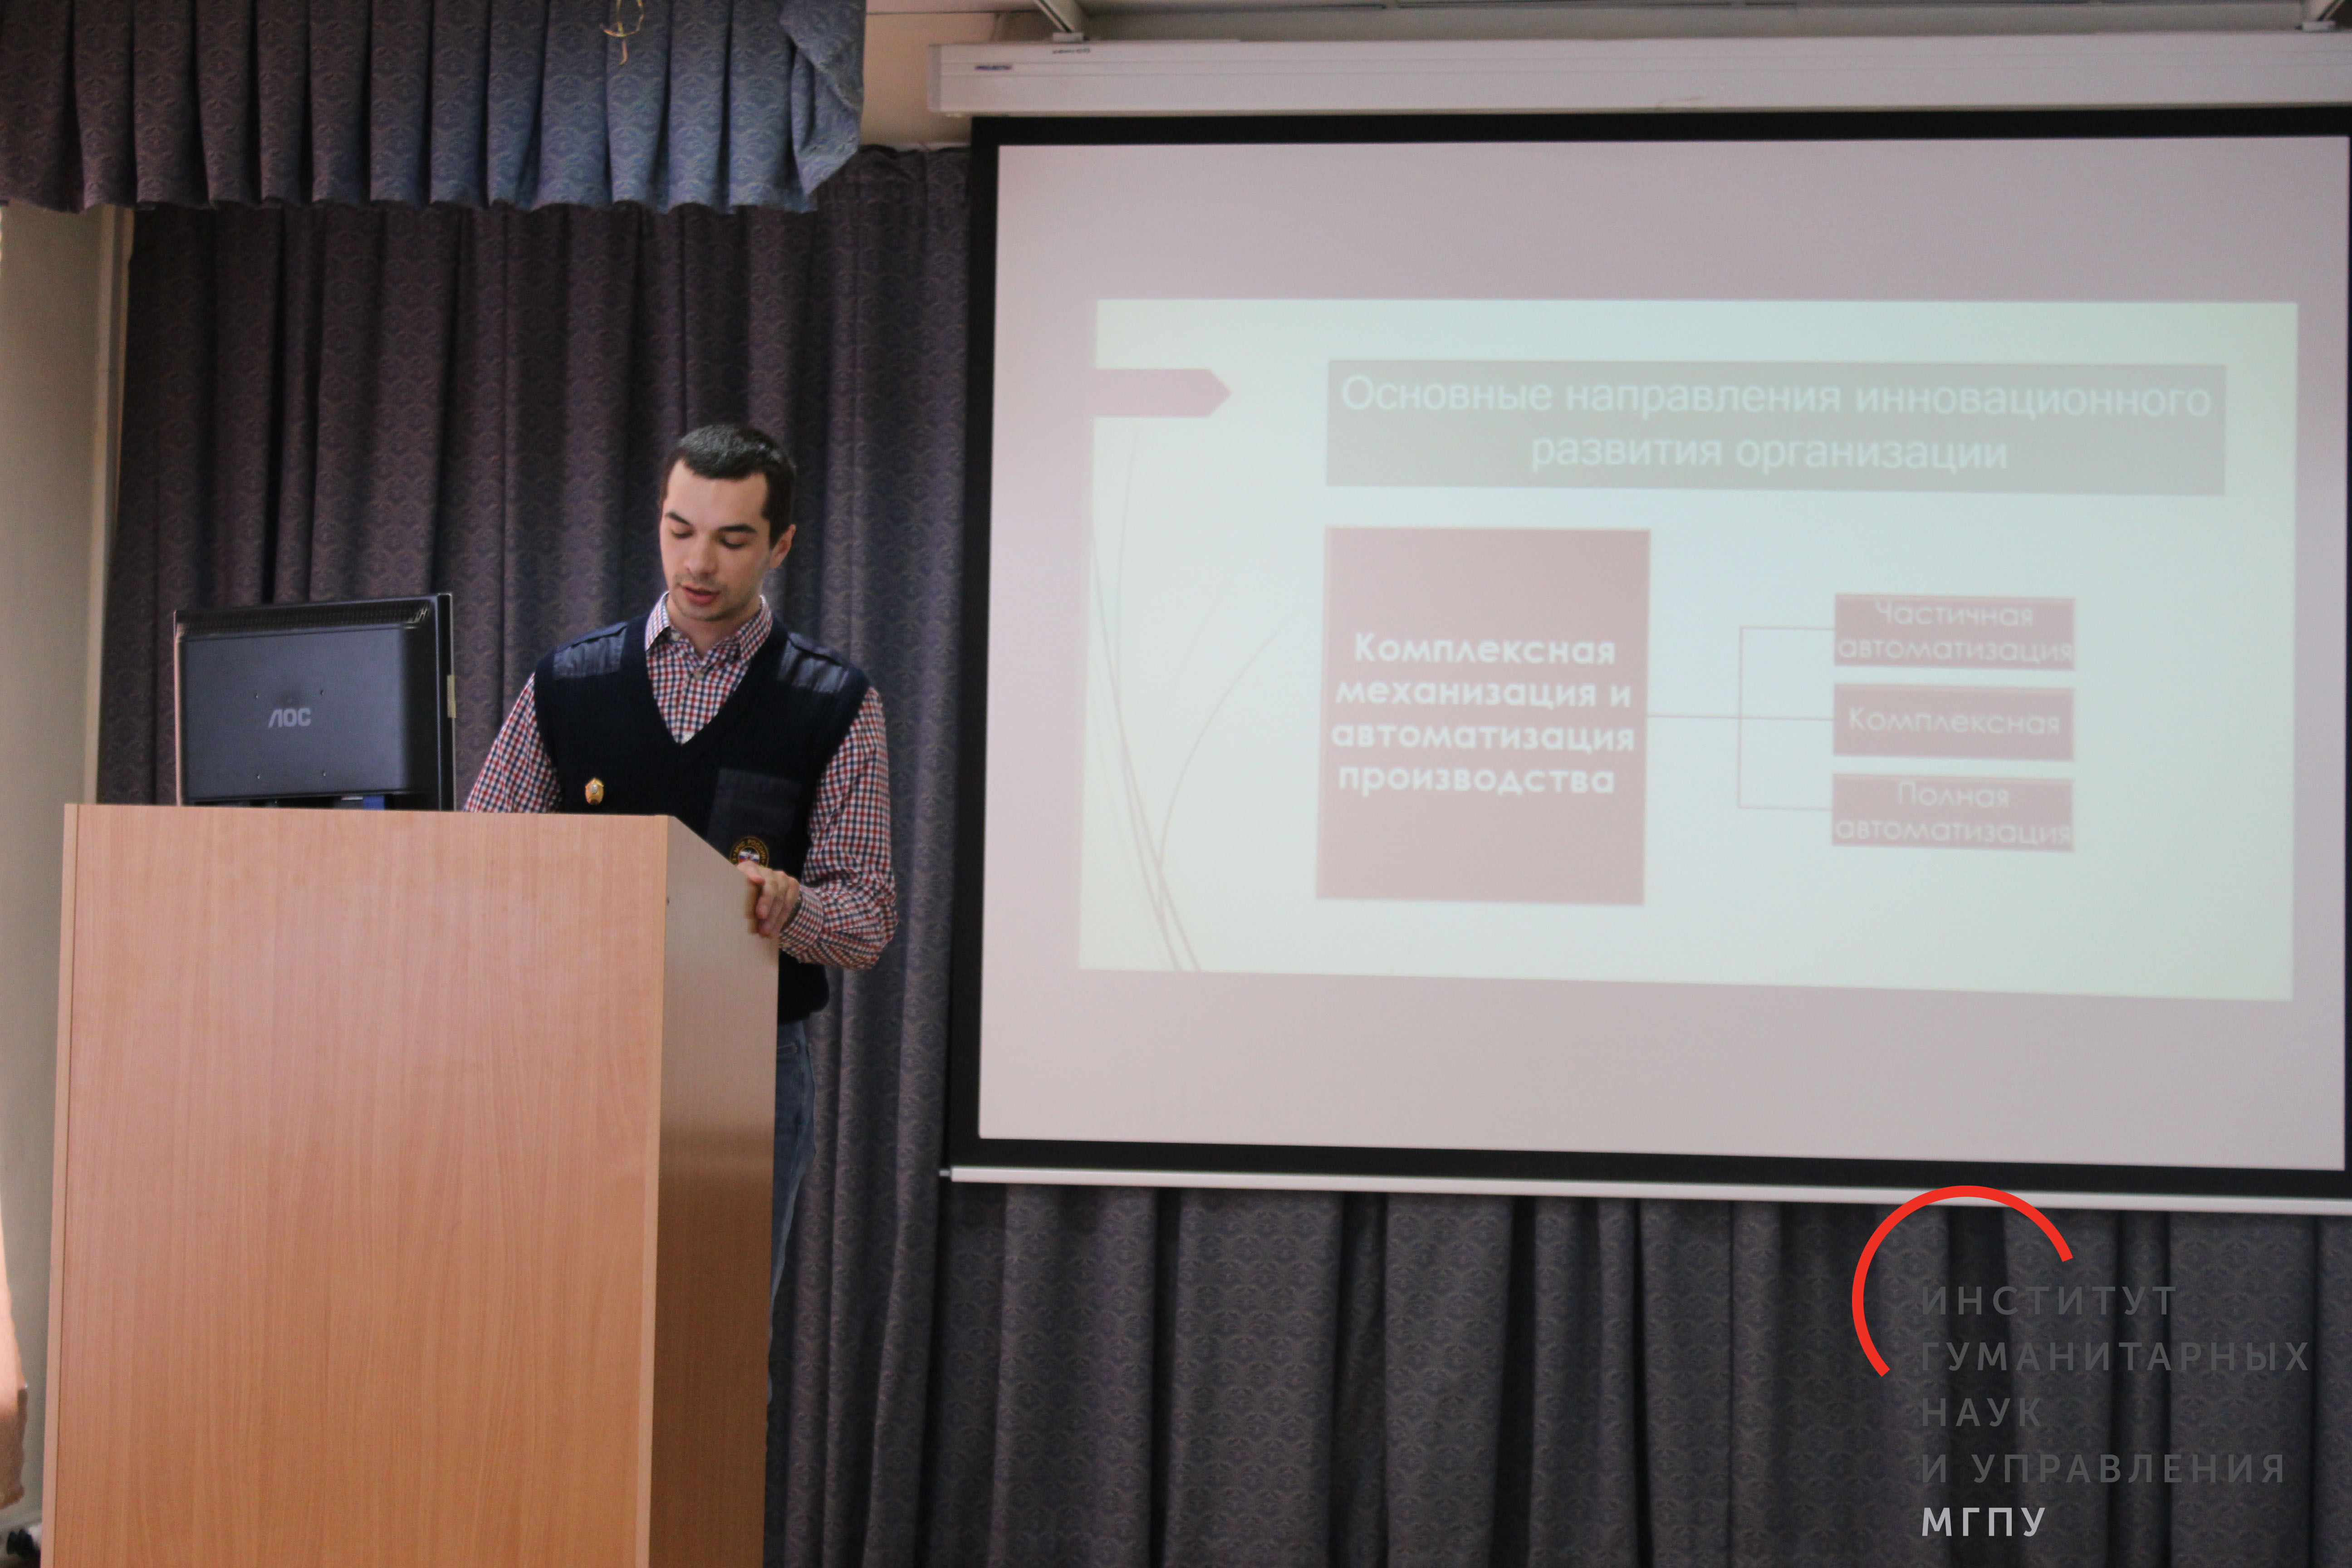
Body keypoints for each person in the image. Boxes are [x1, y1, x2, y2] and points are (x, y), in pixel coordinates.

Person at [466, 421, 896, 1327]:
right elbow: (477, 866)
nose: (698, 563)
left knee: (716, 1347)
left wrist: (793, 909)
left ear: (781, 544)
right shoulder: (570, 681)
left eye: (733, 539)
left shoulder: (833, 700)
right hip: (574, 1051)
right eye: (679, 530)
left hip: (745, 1066)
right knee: (560, 1328)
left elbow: (866, 918)